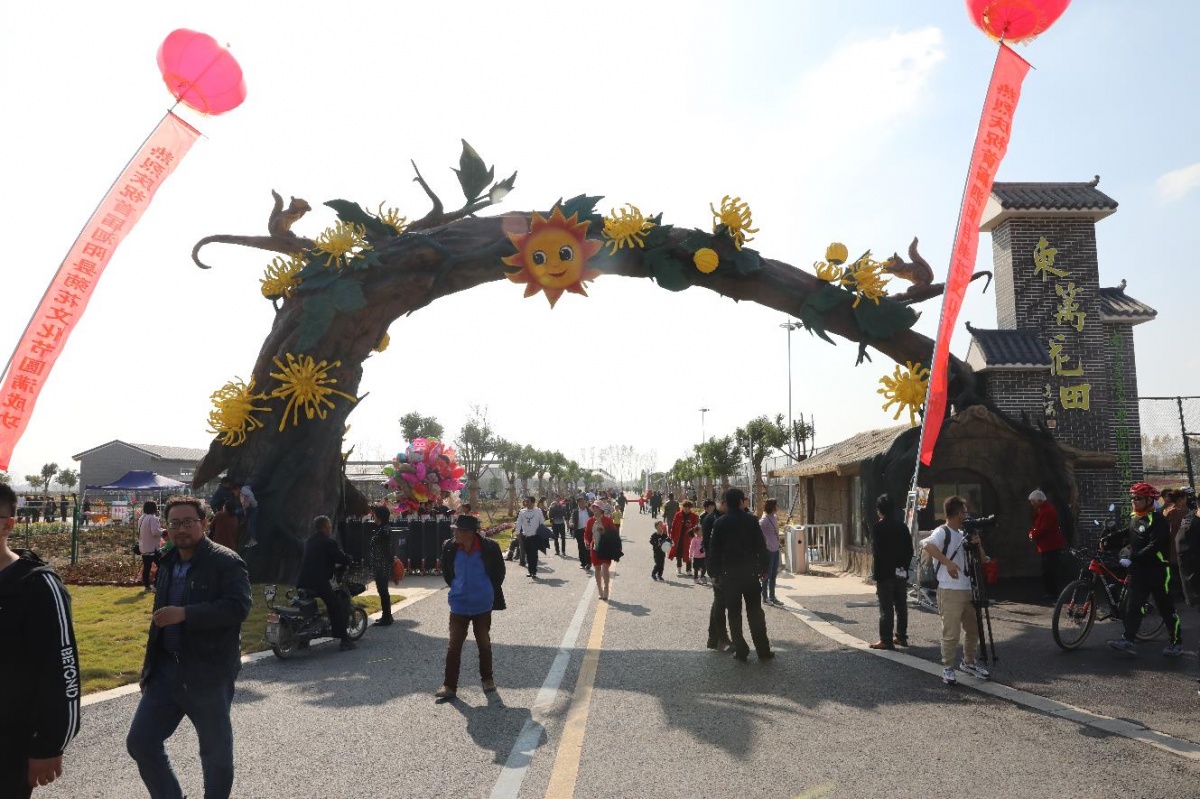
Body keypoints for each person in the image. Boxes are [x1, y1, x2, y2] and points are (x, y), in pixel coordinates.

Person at [126, 496, 251, 799]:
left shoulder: (225, 561)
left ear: (204, 523)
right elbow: (159, 621)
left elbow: (238, 607)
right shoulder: (168, 561)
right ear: (166, 528)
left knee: (215, 754)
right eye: (175, 523)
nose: (181, 529)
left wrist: (186, 614)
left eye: (188, 522)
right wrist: (149, 669)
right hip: (166, 671)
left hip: (208, 672)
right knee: (141, 742)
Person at [0, 482, 80, 798]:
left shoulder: (38, 586)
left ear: (8, 524)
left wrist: (50, 745)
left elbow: (63, 672)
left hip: (9, 744)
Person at [1106, 482, 1184, 657]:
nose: (1134, 501)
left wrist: (1133, 556)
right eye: (1132, 497)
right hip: (1139, 571)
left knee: (1165, 608)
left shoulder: (1158, 520)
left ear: (1149, 500)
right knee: (1133, 607)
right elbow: (1129, 531)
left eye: (1138, 498)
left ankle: (1176, 642)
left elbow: (1155, 545)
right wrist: (1108, 538)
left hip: (1158, 571)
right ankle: (1128, 640)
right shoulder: (1136, 517)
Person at [921, 495, 990, 685]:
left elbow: (983, 559)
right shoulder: (943, 531)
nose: (967, 515)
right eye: (965, 511)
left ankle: (969, 662)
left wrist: (978, 544)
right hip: (949, 590)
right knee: (951, 633)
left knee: (973, 629)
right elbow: (927, 545)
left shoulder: (963, 534)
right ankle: (948, 668)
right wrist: (948, 563)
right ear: (959, 513)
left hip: (968, 589)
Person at [436, 514, 506, 700]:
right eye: (455, 530)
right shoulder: (450, 547)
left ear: (470, 533)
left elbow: (499, 574)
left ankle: (487, 679)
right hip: (458, 605)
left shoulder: (490, 547)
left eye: (459, 530)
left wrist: (487, 591)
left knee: (483, 643)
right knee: (454, 646)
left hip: (482, 604)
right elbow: (448, 574)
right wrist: (457, 590)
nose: (455, 533)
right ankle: (449, 686)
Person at [708, 488, 773, 662]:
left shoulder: (720, 523)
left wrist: (714, 573)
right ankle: (763, 650)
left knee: (734, 614)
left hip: (729, 576)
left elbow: (714, 550)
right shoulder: (751, 520)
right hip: (750, 573)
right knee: (755, 612)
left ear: (727, 503)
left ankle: (741, 649)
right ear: (740, 502)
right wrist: (764, 567)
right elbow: (761, 545)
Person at [296, 515, 357, 651]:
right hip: (319, 582)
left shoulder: (309, 541)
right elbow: (340, 557)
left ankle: (302, 640)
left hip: (303, 581)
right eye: (329, 526)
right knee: (335, 606)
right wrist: (349, 559)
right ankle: (344, 640)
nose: (330, 528)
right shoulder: (329, 542)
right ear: (324, 527)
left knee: (306, 610)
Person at [870, 493, 913, 650]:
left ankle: (886, 639)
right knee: (901, 605)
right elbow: (909, 549)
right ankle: (901, 637)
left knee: (886, 607)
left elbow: (877, 552)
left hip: (884, 573)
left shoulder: (878, 527)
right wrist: (903, 566)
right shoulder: (902, 526)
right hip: (901, 572)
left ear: (879, 510)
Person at [1027, 489, 1067, 600]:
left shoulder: (1047, 511)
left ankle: (1052, 592)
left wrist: (1032, 534)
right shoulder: (1044, 509)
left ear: (1039, 500)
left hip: (1050, 545)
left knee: (1050, 569)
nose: (1031, 504)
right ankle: (1050, 591)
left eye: (1033, 501)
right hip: (1049, 544)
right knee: (1048, 568)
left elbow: (1044, 529)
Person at [702, 499, 731, 651]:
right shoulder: (712, 519)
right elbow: (709, 547)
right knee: (720, 602)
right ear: (723, 503)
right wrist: (713, 572)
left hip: (724, 567)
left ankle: (714, 639)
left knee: (720, 602)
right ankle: (720, 638)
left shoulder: (722, 517)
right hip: (718, 568)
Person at [586, 501, 621, 600]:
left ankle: (606, 588)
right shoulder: (590, 521)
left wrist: (604, 531)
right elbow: (587, 533)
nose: (595, 510)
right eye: (593, 508)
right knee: (597, 569)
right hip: (595, 548)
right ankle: (600, 590)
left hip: (605, 547)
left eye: (596, 508)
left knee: (605, 568)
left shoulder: (607, 520)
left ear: (601, 510)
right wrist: (587, 542)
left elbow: (614, 533)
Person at [369, 505, 394, 627]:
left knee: (383, 591)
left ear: (379, 516)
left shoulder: (384, 531)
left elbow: (386, 549)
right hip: (381, 564)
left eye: (375, 514)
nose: (373, 516)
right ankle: (387, 615)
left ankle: (387, 617)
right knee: (383, 591)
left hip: (382, 565)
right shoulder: (384, 528)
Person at [514, 496, 545, 578]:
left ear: (532, 502)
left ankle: (534, 571)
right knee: (528, 554)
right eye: (525, 501)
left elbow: (542, 523)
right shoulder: (522, 512)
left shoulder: (538, 511)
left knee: (534, 554)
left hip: (535, 536)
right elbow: (518, 522)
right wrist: (517, 532)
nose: (526, 503)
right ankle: (530, 571)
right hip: (525, 536)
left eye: (527, 501)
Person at [669, 500, 700, 577]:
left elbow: (696, 527)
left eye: (688, 508)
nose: (686, 509)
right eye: (685, 507)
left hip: (688, 538)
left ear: (690, 508)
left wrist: (691, 525)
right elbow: (673, 526)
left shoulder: (694, 516)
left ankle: (688, 569)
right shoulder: (678, 514)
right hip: (678, 537)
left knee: (688, 553)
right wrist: (671, 536)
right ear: (682, 507)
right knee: (678, 552)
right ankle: (679, 567)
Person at [759, 499, 781, 604]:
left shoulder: (774, 517)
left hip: (776, 548)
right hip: (769, 550)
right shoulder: (765, 519)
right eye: (776, 505)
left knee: (773, 574)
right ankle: (765, 597)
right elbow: (758, 531)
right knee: (767, 574)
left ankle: (772, 596)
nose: (778, 507)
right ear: (772, 507)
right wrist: (765, 542)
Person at [139, 501, 162, 593]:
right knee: (161, 567)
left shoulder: (141, 518)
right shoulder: (153, 518)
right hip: (153, 548)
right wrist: (163, 531)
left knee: (147, 567)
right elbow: (155, 532)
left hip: (144, 547)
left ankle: (147, 586)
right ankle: (156, 585)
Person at [568, 496, 592, 572]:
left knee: (588, 547)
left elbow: (593, 518)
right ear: (577, 503)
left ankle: (589, 563)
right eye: (580, 502)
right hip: (579, 531)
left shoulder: (589, 510)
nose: (582, 503)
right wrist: (571, 524)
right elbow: (571, 519)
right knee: (581, 547)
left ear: (586, 502)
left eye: (584, 501)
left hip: (588, 531)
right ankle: (583, 563)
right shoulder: (575, 512)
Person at [237, 481, 259, 548]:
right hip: (253, 506)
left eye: (234, 491)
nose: (234, 493)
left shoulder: (243, 494)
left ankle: (253, 540)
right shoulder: (245, 489)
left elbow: (245, 507)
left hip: (253, 508)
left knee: (250, 525)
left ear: (237, 489)